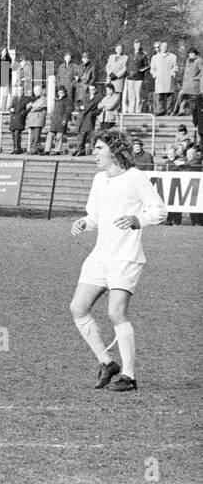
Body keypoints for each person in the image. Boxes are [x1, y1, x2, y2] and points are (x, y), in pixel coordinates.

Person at [68, 129, 167, 393]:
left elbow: (159, 211)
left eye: (99, 148)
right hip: (100, 256)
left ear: (114, 149)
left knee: (115, 312)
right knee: (78, 308)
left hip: (126, 257)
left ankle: (129, 375)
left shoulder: (135, 177)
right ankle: (107, 362)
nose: (94, 153)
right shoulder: (100, 179)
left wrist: (138, 220)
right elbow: (95, 216)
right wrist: (83, 223)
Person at [71, 87, 100, 156]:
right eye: (90, 89)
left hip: (90, 118)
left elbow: (99, 108)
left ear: (96, 89)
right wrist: (80, 107)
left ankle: (93, 150)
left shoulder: (98, 97)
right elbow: (78, 103)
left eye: (93, 89)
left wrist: (92, 113)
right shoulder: (86, 96)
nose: (92, 91)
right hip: (82, 117)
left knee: (90, 135)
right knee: (82, 134)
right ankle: (80, 150)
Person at [45, 86, 72, 154]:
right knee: (50, 135)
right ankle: (47, 150)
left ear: (65, 93)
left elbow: (68, 111)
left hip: (61, 120)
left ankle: (57, 150)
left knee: (59, 136)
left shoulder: (67, 100)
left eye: (62, 92)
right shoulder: (56, 100)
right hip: (54, 120)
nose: (61, 93)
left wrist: (65, 119)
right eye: (59, 92)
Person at [125, 40, 149, 114]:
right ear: (134, 45)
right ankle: (131, 111)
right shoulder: (130, 54)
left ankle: (138, 111)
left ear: (140, 45)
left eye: (138, 45)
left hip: (139, 78)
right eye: (136, 44)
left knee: (138, 95)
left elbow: (147, 65)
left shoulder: (143, 55)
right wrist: (128, 73)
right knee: (131, 96)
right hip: (130, 78)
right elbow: (127, 65)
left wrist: (140, 70)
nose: (137, 46)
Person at [25, 89, 48, 154]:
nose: (36, 92)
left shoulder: (44, 99)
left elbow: (38, 107)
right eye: (35, 91)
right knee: (32, 137)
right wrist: (32, 105)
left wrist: (31, 108)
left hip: (38, 120)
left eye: (38, 90)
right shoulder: (34, 99)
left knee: (37, 136)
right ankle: (32, 149)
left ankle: (37, 148)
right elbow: (27, 107)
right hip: (32, 120)